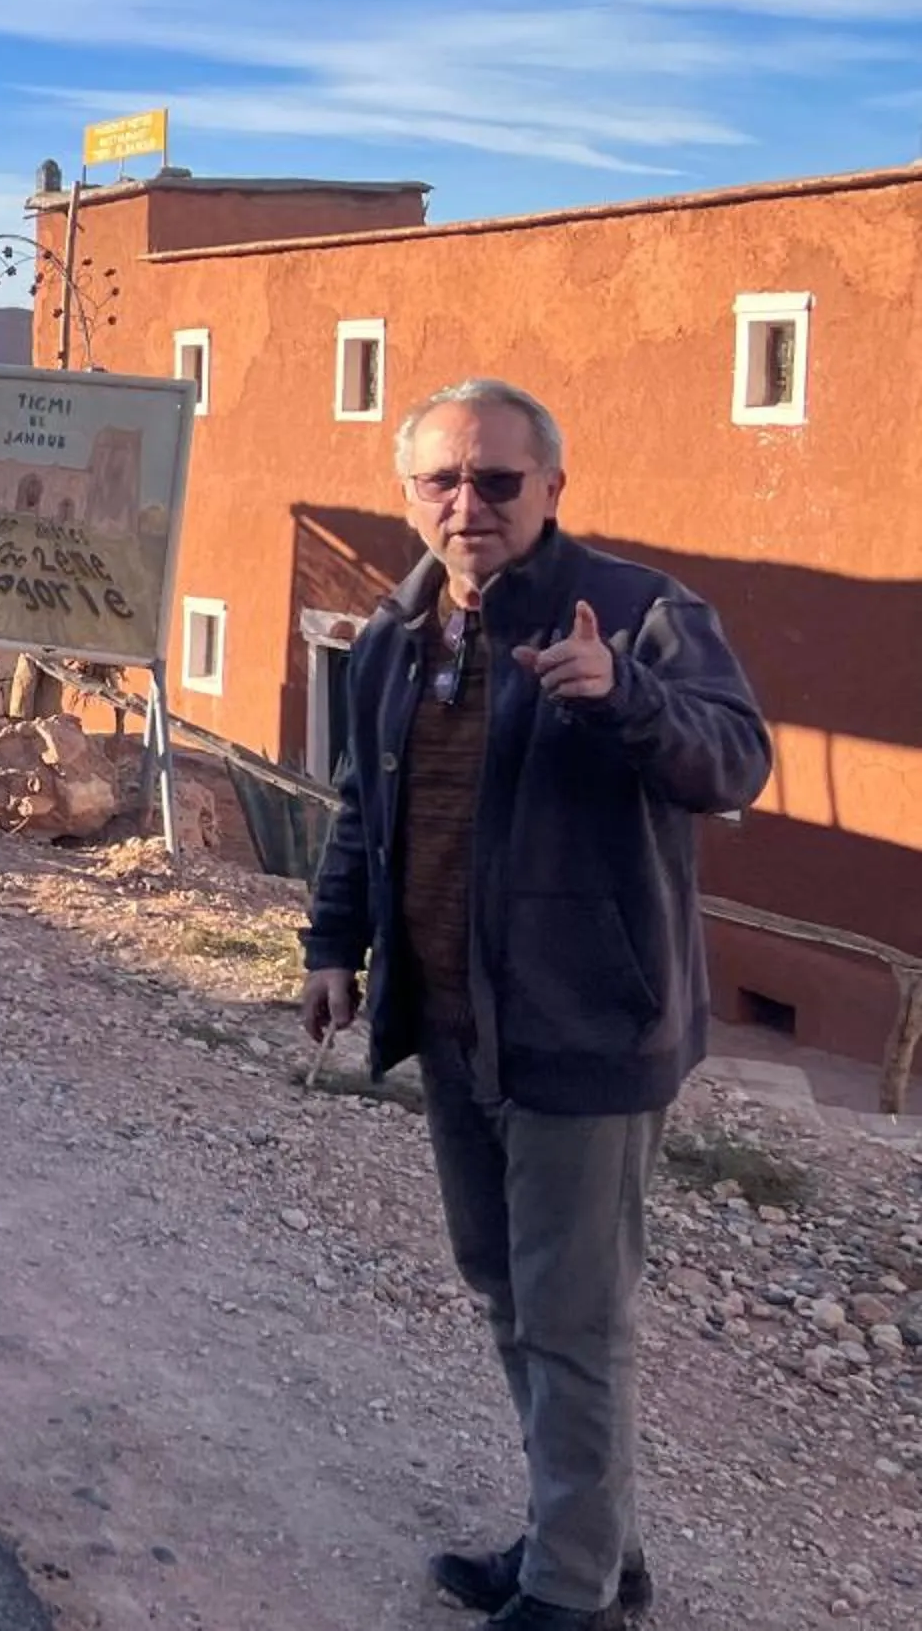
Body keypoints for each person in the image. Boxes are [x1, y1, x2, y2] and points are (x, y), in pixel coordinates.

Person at [300, 379, 771, 1631]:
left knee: (573, 1319)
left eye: (498, 481)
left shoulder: (636, 613)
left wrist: (623, 694)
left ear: (552, 487)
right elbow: (364, 806)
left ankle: (573, 1592)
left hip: (587, 1028)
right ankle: (590, 1547)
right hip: (455, 1023)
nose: (469, 505)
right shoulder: (398, 637)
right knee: (508, 1293)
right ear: (411, 496)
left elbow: (735, 763)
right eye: (442, 482)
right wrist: (331, 942)